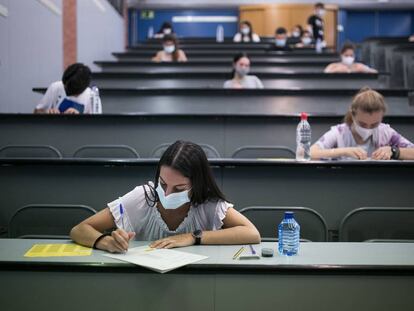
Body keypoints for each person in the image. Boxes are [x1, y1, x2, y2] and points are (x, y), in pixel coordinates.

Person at [70, 141, 261, 252]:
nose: (167, 194)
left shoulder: (208, 203)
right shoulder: (142, 197)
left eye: (178, 188)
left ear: (198, 184)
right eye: (162, 184)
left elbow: (252, 234)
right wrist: (107, 242)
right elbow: (79, 229)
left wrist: (193, 237)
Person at [310, 87, 414, 161]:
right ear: (353, 115)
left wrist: (394, 151)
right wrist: (342, 151)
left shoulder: (386, 132)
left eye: (374, 124)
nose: (368, 128)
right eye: (362, 124)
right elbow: (308, 153)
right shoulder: (339, 133)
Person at [34, 63, 100, 114]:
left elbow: (97, 125)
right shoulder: (55, 87)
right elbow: (36, 111)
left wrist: (80, 117)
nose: (67, 91)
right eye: (65, 87)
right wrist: (48, 112)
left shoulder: (92, 96)